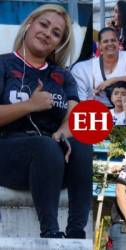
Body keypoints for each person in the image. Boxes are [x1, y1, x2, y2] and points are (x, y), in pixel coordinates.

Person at [0, 4, 93, 238]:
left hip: (52, 164)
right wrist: (30, 105)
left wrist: (62, 132)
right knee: (46, 147)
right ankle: (50, 232)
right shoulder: (3, 64)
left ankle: (75, 233)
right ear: (29, 24)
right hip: (10, 157)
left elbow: (74, 115)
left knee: (82, 140)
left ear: (58, 43)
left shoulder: (63, 76)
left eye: (55, 33)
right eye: (43, 25)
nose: (47, 33)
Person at [93, 27, 126, 106]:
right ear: (99, 45)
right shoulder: (93, 63)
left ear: (118, 42)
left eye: (113, 40)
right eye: (105, 41)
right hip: (103, 108)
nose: (110, 43)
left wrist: (111, 80)